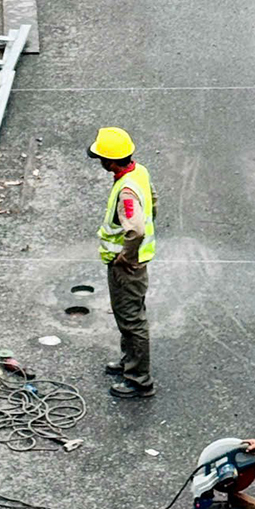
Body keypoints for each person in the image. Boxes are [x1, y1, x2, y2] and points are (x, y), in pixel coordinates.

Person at [89, 126, 156, 398]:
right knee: (129, 315)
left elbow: (136, 229)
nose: (101, 163)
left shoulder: (126, 191)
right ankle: (129, 363)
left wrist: (126, 255)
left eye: (103, 158)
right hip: (134, 263)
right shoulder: (139, 172)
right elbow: (154, 199)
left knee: (131, 321)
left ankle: (139, 380)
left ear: (112, 161)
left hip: (126, 267)